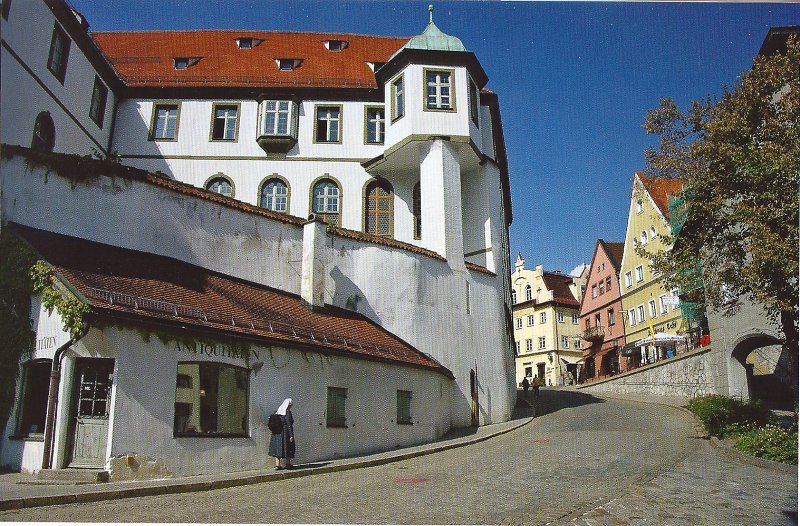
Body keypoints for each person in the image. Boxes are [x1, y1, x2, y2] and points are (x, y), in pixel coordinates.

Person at [269, 398, 295, 470]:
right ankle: (288, 463)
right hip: (285, 433)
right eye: (290, 405)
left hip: (276, 433)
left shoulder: (278, 411)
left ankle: (277, 465)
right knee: (288, 447)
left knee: (277, 448)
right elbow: (289, 424)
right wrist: (291, 435)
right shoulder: (287, 412)